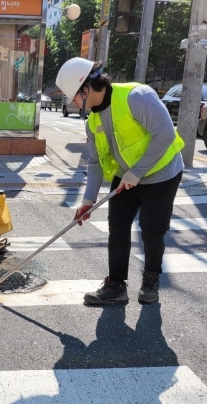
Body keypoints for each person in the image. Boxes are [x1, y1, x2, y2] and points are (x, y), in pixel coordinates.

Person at [55, 58, 184, 305]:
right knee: (118, 226)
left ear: (86, 88)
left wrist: (137, 172)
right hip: (125, 176)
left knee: (151, 230)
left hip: (161, 174)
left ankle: (151, 279)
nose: (72, 102)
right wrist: (88, 200)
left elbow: (165, 134)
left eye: (74, 97)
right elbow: (94, 163)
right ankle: (116, 285)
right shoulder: (92, 121)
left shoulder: (137, 97)